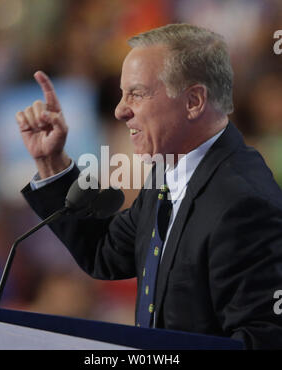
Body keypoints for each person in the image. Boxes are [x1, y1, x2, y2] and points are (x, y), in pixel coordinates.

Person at [17, 24, 282, 349]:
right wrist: (51, 162)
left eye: (137, 93)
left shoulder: (243, 203)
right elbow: (106, 252)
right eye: (122, 93)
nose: (119, 110)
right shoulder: (169, 171)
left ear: (194, 101)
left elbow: (262, 341)